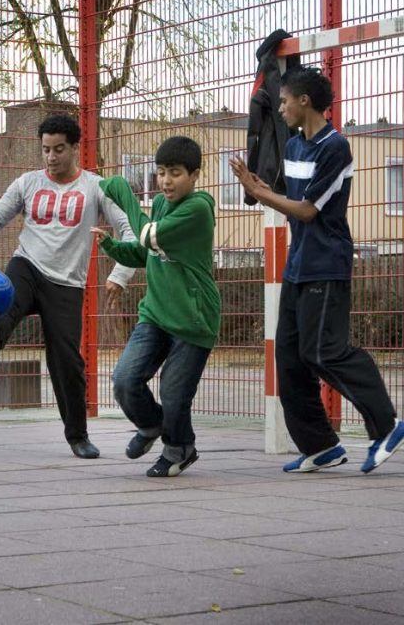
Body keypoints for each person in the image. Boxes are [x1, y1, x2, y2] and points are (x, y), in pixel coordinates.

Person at [231, 66, 403, 473]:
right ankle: (321, 445)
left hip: (327, 264)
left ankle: (388, 425)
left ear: (304, 101)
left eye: (286, 100)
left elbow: (308, 210)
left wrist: (261, 194)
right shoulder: (293, 146)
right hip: (298, 265)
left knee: (324, 351)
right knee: (289, 358)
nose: (283, 107)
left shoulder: (335, 147)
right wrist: (259, 187)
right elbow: (289, 199)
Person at [0, 113, 136, 459]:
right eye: (46, 149)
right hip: (27, 264)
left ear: (75, 148)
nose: (51, 157)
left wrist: (119, 274)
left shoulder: (95, 187)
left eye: (59, 149)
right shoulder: (27, 183)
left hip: (67, 284)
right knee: (7, 301)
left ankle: (78, 436)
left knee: (66, 361)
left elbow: (128, 230)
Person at [92, 136, 220, 477]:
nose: (165, 181)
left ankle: (179, 449)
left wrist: (124, 195)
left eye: (175, 173)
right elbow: (147, 251)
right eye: (161, 173)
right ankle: (151, 426)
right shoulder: (163, 205)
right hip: (156, 314)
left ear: (195, 175)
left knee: (174, 395)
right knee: (124, 380)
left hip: (193, 319)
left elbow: (148, 234)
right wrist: (114, 247)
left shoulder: (198, 209)